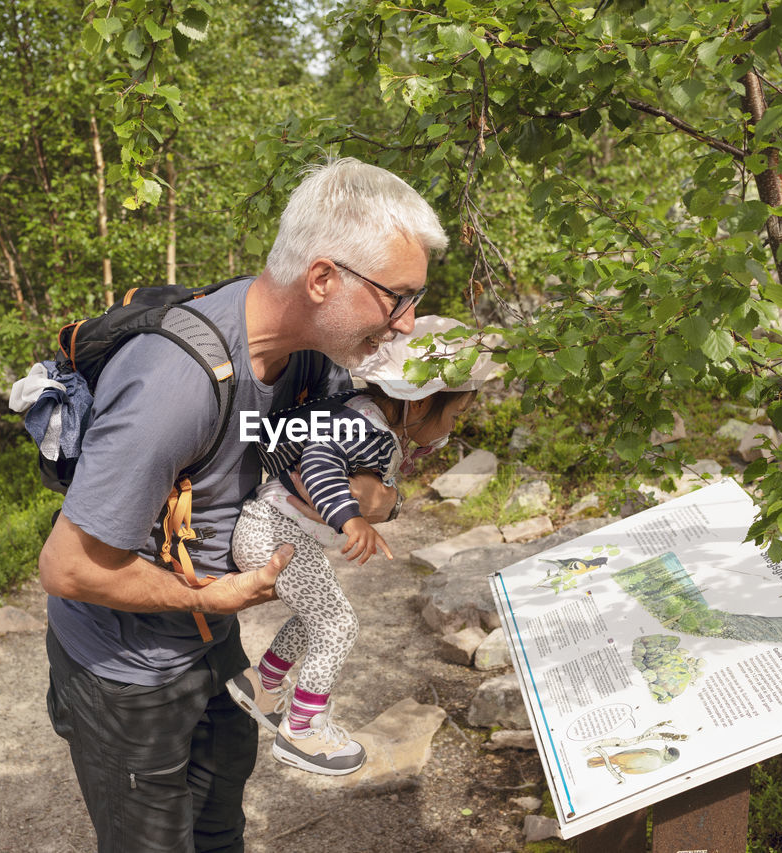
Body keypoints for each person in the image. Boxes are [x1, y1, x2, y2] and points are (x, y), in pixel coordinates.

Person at [37, 157, 448, 852]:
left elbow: (346, 470)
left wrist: (376, 495)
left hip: (211, 645)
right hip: (125, 671)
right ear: (322, 279)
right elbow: (67, 567)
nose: (407, 324)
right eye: (398, 297)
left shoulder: (308, 355)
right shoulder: (175, 384)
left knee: (221, 828)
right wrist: (220, 595)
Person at [227, 316, 496, 776]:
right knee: (339, 625)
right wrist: (351, 519)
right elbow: (318, 461)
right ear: (423, 401)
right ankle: (303, 728)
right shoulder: (364, 425)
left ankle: (262, 684)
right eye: (455, 414)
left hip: (271, 528)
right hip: (274, 531)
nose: (454, 427)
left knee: (316, 618)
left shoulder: (364, 413)